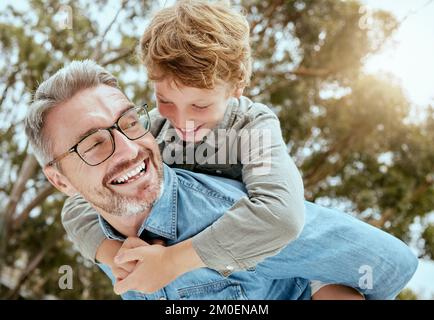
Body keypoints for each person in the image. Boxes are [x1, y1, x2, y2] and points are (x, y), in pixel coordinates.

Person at [25, 60, 418, 300]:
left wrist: (175, 261)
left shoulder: (249, 141)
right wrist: (116, 257)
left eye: (129, 123)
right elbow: (75, 212)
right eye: (93, 143)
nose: (128, 147)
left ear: (235, 91)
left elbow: (384, 260)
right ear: (61, 180)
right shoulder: (109, 206)